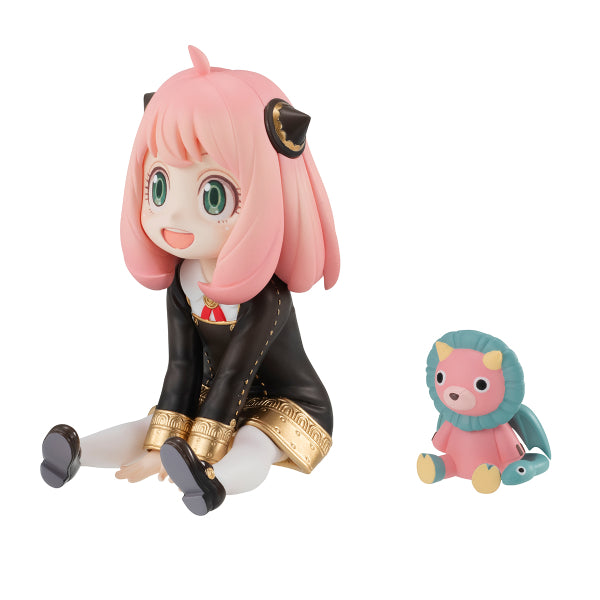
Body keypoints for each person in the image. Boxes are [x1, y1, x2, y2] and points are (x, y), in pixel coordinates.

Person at [41, 46, 340, 515]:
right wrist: (163, 440)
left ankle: (212, 484)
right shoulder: (184, 280)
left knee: (253, 440)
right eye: (159, 186)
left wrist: (197, 451)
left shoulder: (266, 296)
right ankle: (76, 454)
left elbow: (238, 371)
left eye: (212, 195)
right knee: (152, 425)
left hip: (288, 402)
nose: (174, 216)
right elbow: (181, 365)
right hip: (212, 392)